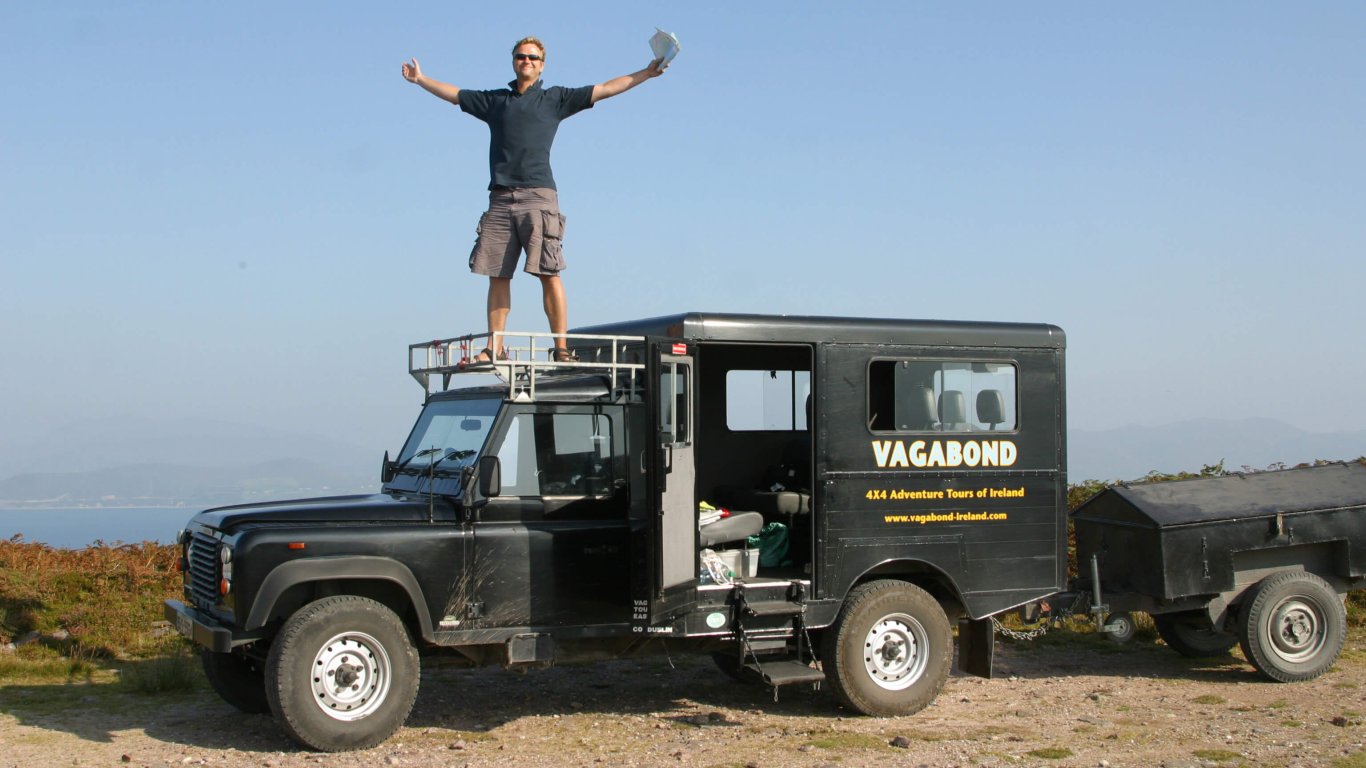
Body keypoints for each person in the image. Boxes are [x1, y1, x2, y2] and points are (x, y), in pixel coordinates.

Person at [402, 36, 666, 364]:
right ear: (513, 61)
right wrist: (420, 80)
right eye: (521, 57)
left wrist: (646, 72)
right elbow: (455, 95)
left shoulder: (555, 99)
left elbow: (607, 88)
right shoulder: (496, 101)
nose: (526, 61)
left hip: (538, 197)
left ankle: (561, 348)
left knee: (548, 272)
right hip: (500, 199)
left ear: (542, 65)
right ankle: (493, 347)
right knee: (497, 275)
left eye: (533, 58)